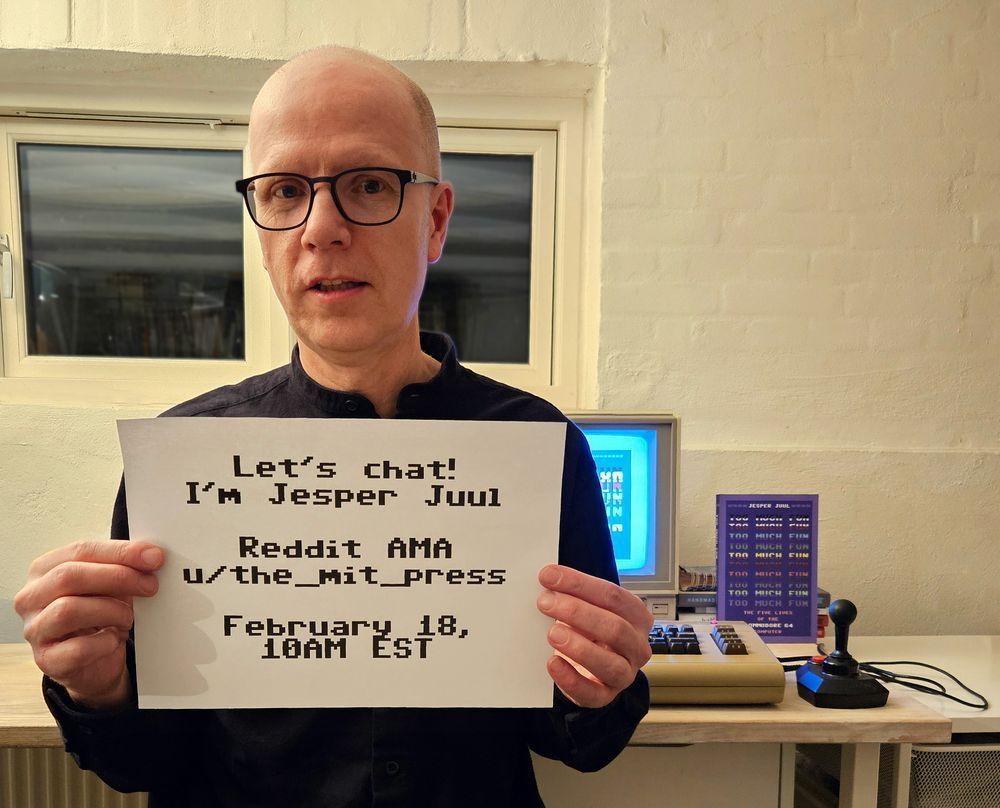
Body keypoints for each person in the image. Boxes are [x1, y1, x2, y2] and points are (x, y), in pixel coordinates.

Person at [14, 47, 652, 807]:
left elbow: (576, 741)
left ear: (437, 220)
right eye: (285, 191)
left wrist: (604, 689)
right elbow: (144, 764)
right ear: (261, 225)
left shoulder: (537, 450)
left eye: (370, 185)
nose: (322, 229)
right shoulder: (185, 462)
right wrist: (100, 692)